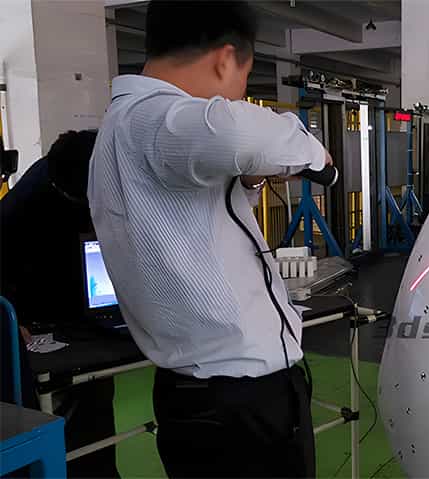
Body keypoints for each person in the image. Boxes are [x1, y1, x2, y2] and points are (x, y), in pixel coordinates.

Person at [88, 1, 330, 477]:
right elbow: (242, 135)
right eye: (245, 78)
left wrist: (248, 181)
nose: (240, 93)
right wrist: (314, 154)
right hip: (234, 405)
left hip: (212, 396)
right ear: (225, 60)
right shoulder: (155, 118)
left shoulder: (127, 128)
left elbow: (193, 220)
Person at [0, 130, 121, 478]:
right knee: (60, 408)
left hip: (80, 308)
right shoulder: (25, 206)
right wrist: (13, 319)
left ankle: (99, 469)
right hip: (37, 312)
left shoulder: (90, 166)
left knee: (96, 398)